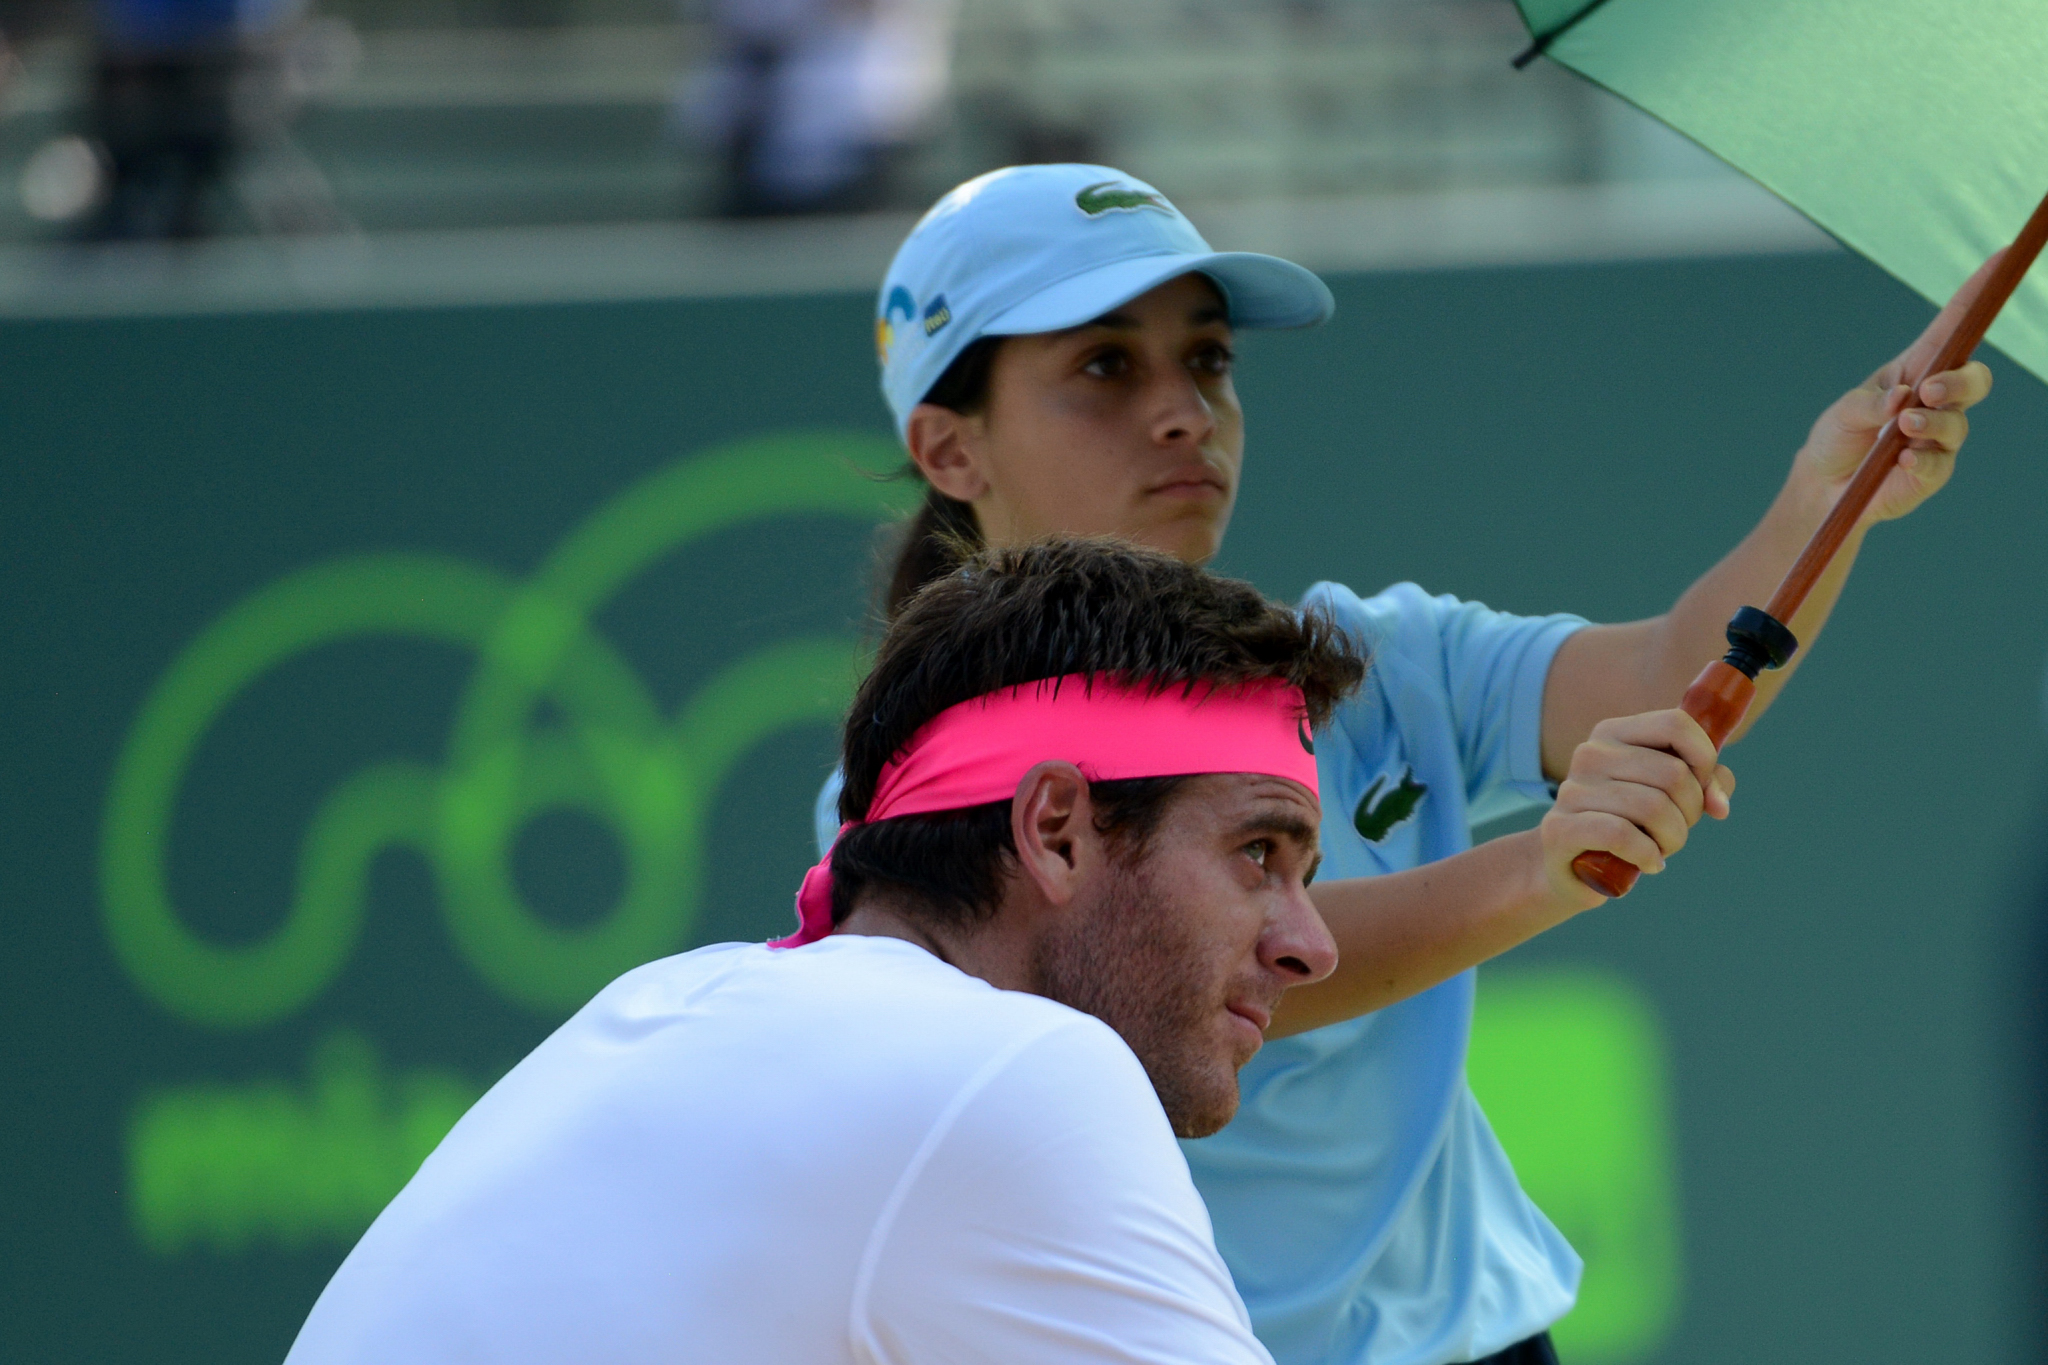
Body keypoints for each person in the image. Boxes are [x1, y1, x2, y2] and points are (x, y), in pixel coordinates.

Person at [821, 163, 1995, 1365]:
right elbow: (1185, 971)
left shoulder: (1373, 658)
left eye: (1208, 359)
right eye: (1104, 366)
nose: (1183, 412)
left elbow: (1663, 679)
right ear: (949, 449)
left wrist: (1821, 497)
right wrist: (1533, 874)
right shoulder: (912, 788)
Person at [285, 537, 1377, 1364]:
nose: (1311, 945)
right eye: (1258, 852)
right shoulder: (1021, 1071)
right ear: (1056, 831)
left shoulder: (666, 999)